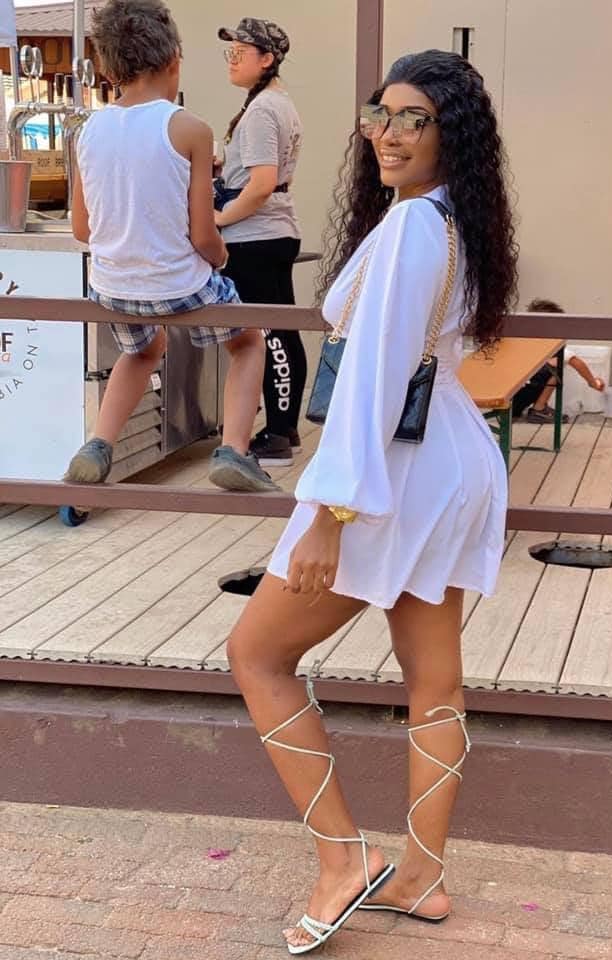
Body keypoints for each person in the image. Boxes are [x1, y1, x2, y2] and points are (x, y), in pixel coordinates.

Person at [226, 49, 519, 954]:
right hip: (449, 461)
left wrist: (325, 513)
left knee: (258, 654)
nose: (387, 134)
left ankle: (342, 858)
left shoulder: (413, 229)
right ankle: (422, 878)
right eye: (379, 114)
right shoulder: (454, 219)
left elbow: (371, 384)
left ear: (449, 134)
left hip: (395, 472)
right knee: (434, 678)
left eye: (412, 119)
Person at [64, 0, 277, 494]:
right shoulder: (190, 129)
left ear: (108, 68)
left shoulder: (88, 130)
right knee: (249, 342)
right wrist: (221, 258)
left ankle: (98, 444)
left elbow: (82, 229)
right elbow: (203, 235)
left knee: (143, 351)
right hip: (180, 284)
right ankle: (235, 451)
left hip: (113, 285)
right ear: (173, 59)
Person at [216, 18, 305, 469]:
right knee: (280, 328)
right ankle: (284, 428)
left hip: (255, 236)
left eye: (240, 53)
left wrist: (219, 218)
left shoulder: (262, 111)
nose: (231, 61)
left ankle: (277, 437)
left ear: (267, 59)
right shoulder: (274, 103)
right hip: (271, 232)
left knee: (265, 334)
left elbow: (262, 184)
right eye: (229, 53)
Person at [512, 298, 605, 423]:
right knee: (557, 367)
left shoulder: (525, 340)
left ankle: (538, 408)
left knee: (549, 367)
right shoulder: (549, 346)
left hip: (510, 399)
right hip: (516, 400)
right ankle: (539, 409)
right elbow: (576, 362)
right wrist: (593, 383)